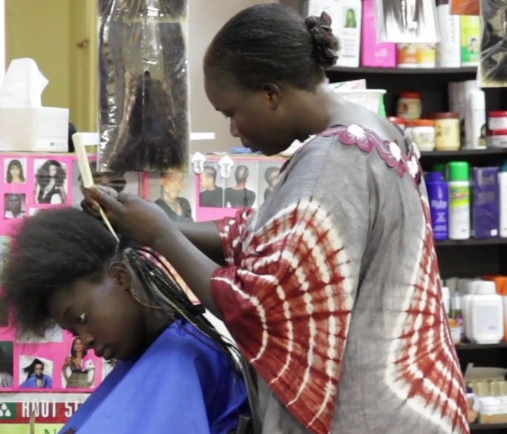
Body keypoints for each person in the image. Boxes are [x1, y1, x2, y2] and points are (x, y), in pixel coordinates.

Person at [83, 5, 469, 434]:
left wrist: (161, 236)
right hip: (418, 395)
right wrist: (146, 219)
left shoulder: (335, 159)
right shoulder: (376, 132)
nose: (232, 129)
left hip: (377, 409)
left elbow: (258, 306)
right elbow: (261, 236)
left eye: (231, 112)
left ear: (270, 93)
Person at [0, 208, 251, 434]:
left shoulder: (184, 357)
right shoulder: (162, 352)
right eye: (74, 333)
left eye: (81, 318)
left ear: (120, 277)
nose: (85, 342)